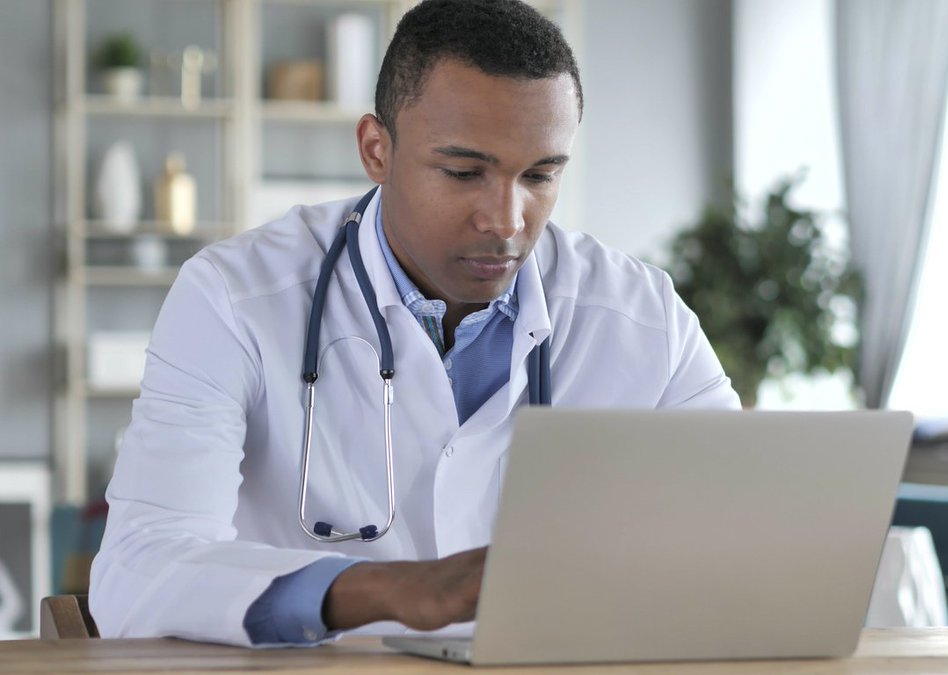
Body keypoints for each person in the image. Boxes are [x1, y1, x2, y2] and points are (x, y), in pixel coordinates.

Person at [90, 0, 739, 647]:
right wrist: (389, 589)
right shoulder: (233, 298)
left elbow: (751, 534)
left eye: (540, 175)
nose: (507, 220)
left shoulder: (642, 315)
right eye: (464, 172)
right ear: (377, 149)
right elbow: (137, 570)